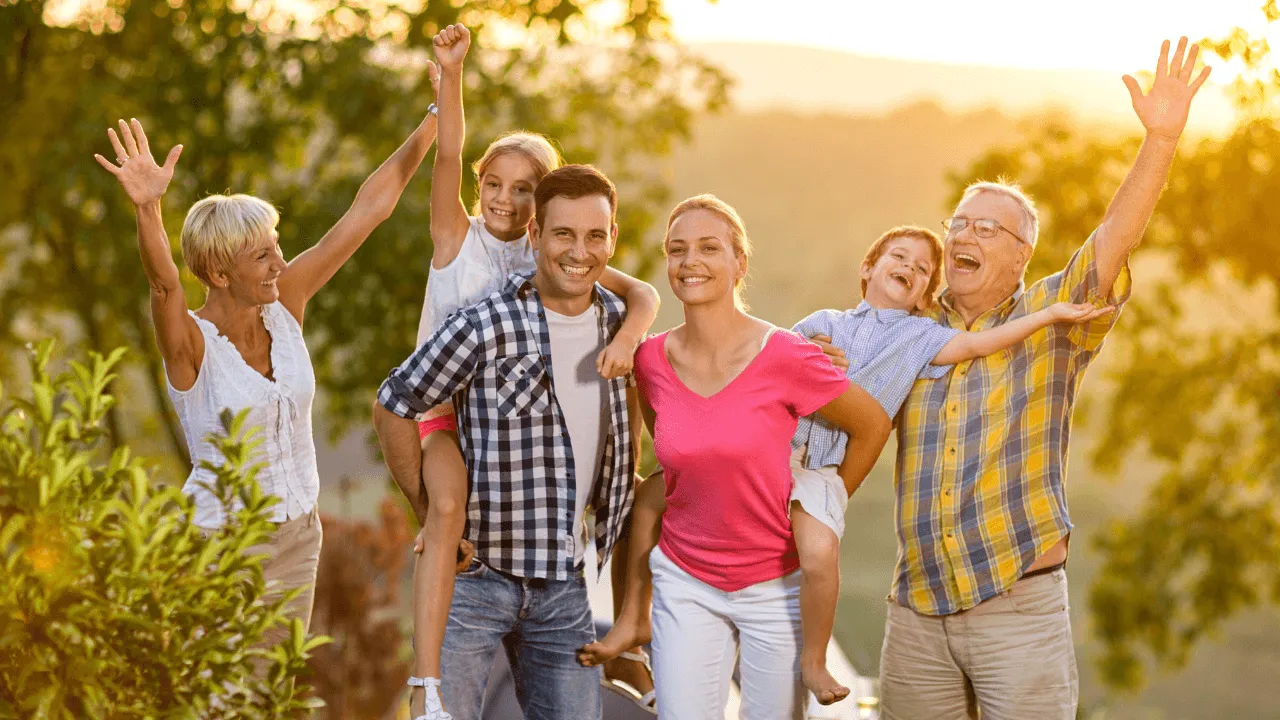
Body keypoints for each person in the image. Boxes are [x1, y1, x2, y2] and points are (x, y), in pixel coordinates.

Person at [582, 224, 1109, 706]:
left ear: (927, 292)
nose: (910, 267)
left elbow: (979, 342)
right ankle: (634, 618)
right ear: (867, 268)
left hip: (820, 472)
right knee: (650, 497)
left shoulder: (922, 338)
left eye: (923, 268)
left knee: (816, 552)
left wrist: (1047, 316)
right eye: (897, 256)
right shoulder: (822, 323)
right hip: (778, 453)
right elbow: (763, 366)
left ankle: (813, 662)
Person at [873, 38, 1211, 719]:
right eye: (958, 222)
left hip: (1017, 610)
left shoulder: (1052, 318)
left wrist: (1161, 141)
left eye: (987, 228)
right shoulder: (907, 327)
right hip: (916, 609)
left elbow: (1116, 235)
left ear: (1022, 255)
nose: (965, 234)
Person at [92, 78, 441, 659]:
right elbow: (163, 281)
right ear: (221, 274)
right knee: (222, 693)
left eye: (277, 246)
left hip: (299, 537)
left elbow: (367, 211)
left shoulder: (285, 308)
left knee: (270, 694)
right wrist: (149, 207)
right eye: (264, 255)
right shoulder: (191, 346)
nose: (282, 262)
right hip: (220, 545)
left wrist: (438, 111)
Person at [400, 24, 659, 720]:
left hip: (525, 488)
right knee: (448, 511)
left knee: (642, 488)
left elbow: (637, 291)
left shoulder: (541, 257)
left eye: (524, 192)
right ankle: (428, 680)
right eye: (494, 184)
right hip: (442, 408)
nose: (506, 201)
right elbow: (449, 150)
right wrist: (451, 77)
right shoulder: (459, 238)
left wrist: (631, 336)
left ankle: (640, 629)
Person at [580, 194, 886, 719]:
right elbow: (677, 468)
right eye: (677, 250)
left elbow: (871, 425)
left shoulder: (788, 355)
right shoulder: (650, 361)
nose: (690, 261)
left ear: (740, 262)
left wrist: (823, 505)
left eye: (708, 247)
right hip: (684, 581)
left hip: (776, 587)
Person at [375, 164, 641, 720]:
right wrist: (426, 509)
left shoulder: (621, 325)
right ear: (535, 234)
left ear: (613, 239)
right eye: (564, 233)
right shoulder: (486, 324)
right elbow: (395, 403)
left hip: (566, 588)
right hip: (476, 580)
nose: (580, 250)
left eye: (596, 235)